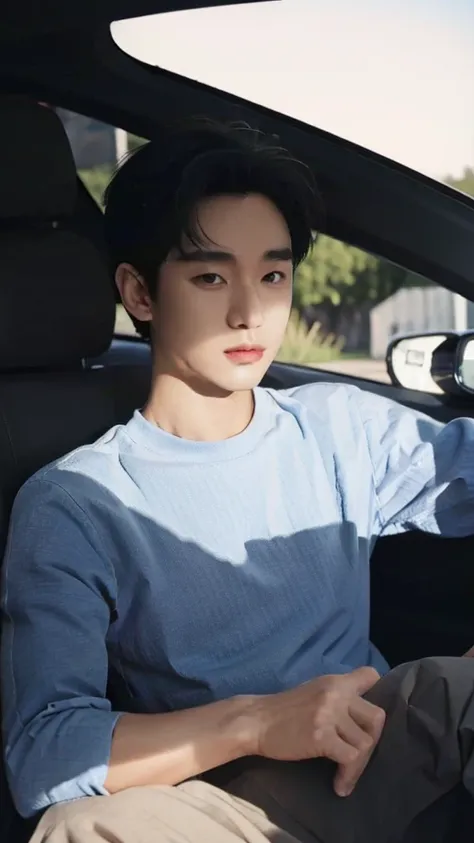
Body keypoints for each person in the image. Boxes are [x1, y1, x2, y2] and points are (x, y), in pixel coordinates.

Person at [2, 120, 474, 843]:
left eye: (273, 275)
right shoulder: (76, 502)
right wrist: (257, 721)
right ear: (140, 291)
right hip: (236, 807)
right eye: (211, 275)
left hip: (391, 740)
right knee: (81, 826)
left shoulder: (338, 427)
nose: (251, 311)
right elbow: (48, 750)